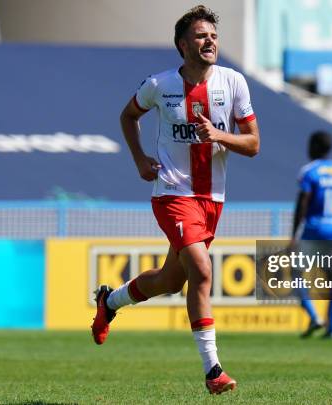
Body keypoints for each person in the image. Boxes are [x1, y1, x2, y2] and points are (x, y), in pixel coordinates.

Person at [91, 5, 259, 395]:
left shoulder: (234, 83)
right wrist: (138, 159)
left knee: (171, 280)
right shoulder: (160, 85)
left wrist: (220, 136)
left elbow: (253, 144)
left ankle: (109, 302)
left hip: (212, 199)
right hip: (172, 193)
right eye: (201, 36)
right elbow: (128, 116)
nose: (210, 41)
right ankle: (213, 370)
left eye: (213, 35)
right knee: (201, 270)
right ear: (183, 45)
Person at [291, 130, 332, 339]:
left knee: (296, 274)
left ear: (315, 147)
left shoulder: (310, 171)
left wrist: (294, 234)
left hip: (313, 229)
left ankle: (314, 316)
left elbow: (302, 202)